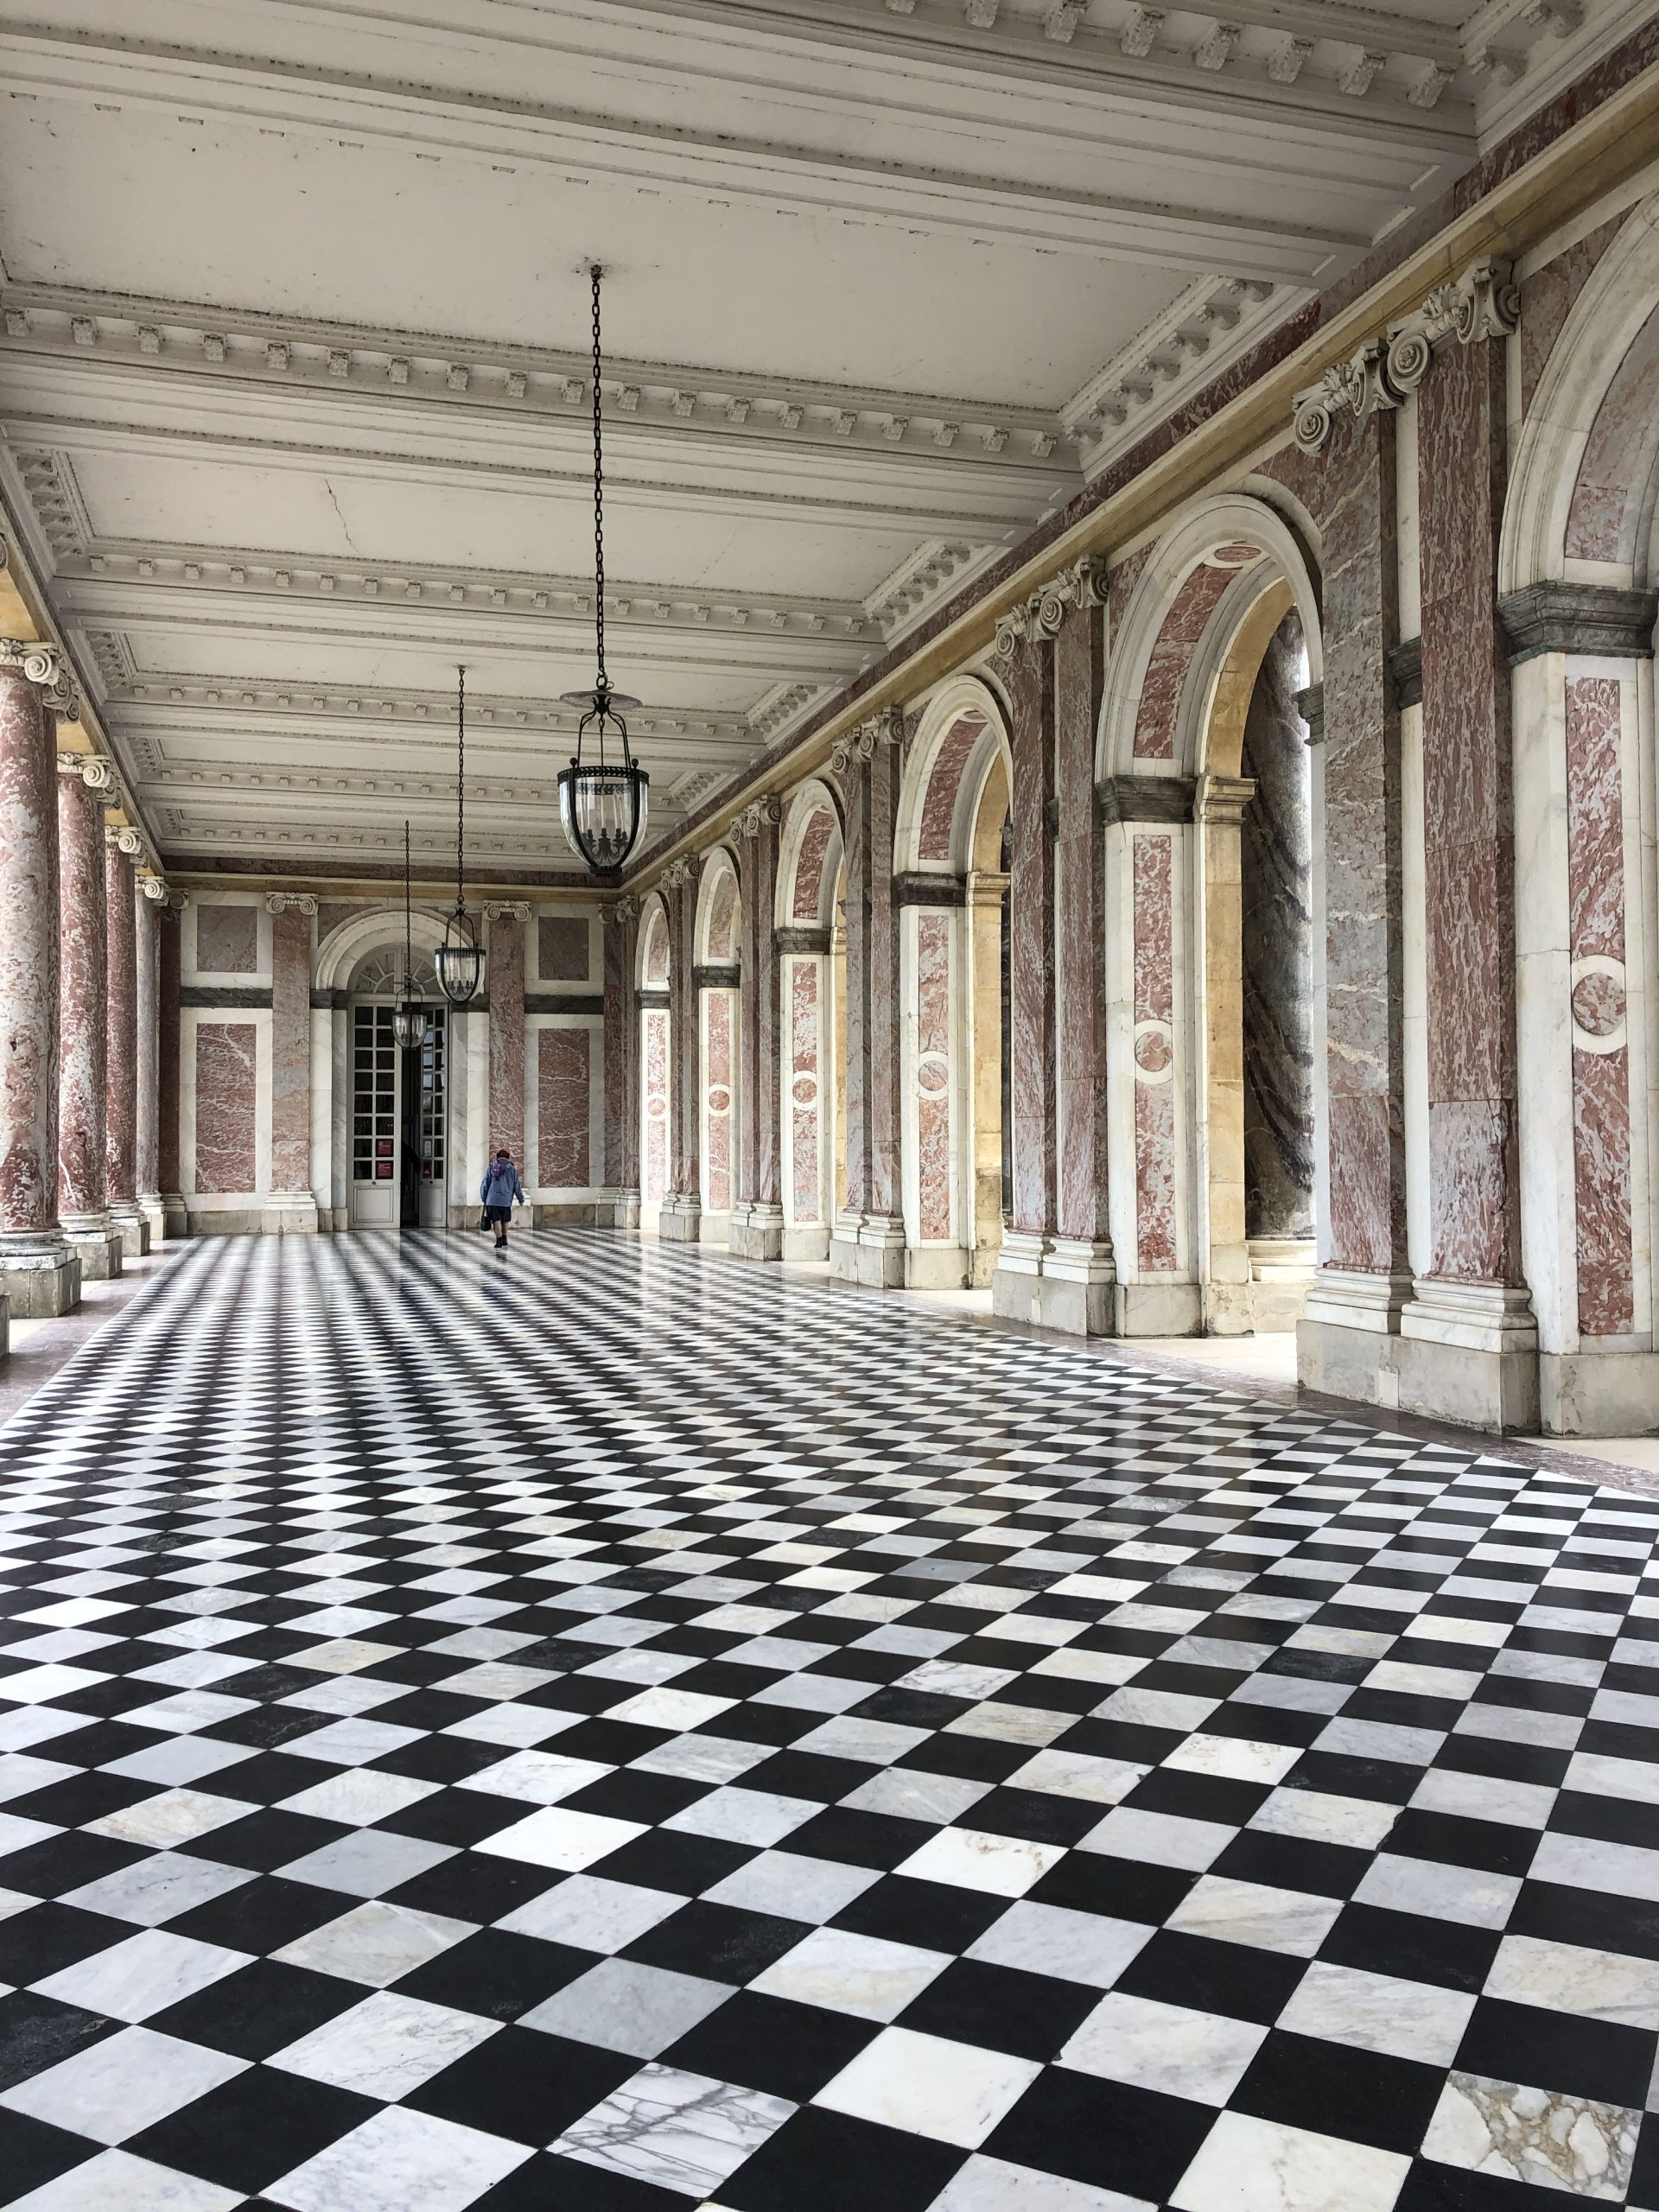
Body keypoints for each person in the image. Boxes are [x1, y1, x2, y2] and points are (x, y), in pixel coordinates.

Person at [479, 1148, 525, 1249]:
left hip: (493, 1199)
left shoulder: (491, 1167)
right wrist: (521, 1199)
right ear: (508, 1158)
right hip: (506, 1200)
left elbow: (485, 1184)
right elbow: (517, 1185)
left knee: (496, 1220)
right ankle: (504, 1238)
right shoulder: (511, 1169)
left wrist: (484, 1197)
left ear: (498, 1157)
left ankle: (498, 1241)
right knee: (505, 1220)